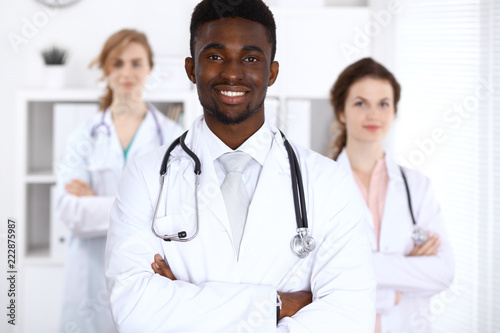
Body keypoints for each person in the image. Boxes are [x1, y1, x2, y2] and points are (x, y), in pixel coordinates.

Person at [105, 1, 376, 332]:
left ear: (272, 72)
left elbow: (349, 316)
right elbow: (133, 308)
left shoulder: (328, 182)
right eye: (215, 56)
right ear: (191, 68)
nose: (232, 73)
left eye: (250, 58)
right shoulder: (146, 175)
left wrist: (181, 298)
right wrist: (280, 305)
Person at [56, 29, 183, 333]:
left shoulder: (172, 139)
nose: (127, 72)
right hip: (91, 272)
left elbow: (177, 212)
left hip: (148, 272)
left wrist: (96, 202)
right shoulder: (82, 137)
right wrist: (143, 207)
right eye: (118, 63)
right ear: (105, 70)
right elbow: (70, 213)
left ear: (149, 69)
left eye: (136, 63)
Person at [330, 57, 455, 333]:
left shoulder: (417, 186)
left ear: (394, 111)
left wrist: (358, 269)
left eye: (383, 104)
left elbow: (443, 272)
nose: (373, 114)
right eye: (360, 103)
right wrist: (401, 281)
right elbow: (313, 276)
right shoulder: (319, 185)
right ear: (341, 111)